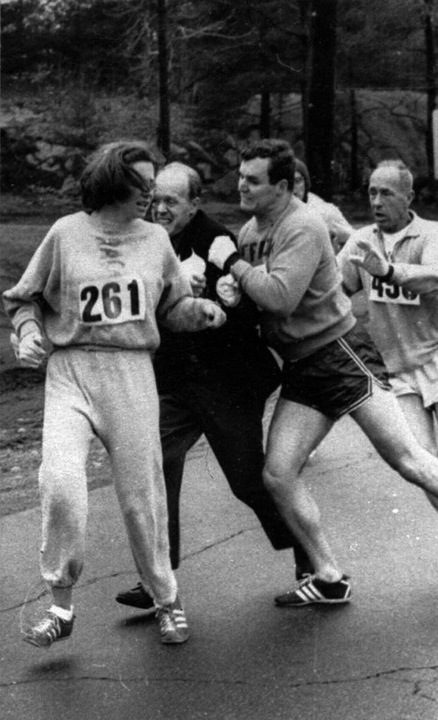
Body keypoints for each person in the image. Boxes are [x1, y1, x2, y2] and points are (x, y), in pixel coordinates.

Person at [3, 142, 227, 647]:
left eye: (154, 185)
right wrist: (27, 333)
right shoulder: (65, 233)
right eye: (141, 184)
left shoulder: (154, 240)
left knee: (140, 496)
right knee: (59, 481)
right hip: (72, 370)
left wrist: (201, 313)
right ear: (111, 182)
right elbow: (24, 299)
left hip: (130, 371)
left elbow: (172, 307)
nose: (151, 194)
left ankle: (166, 599)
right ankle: (60, 606)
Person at [207, 138, 438, 608]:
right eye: (240, 176)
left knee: (408, 460)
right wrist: (228, 289)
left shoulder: (303, 225)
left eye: (253, 180)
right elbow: (259, 302)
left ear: (280, 185)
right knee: (277, 474)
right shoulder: (252, 231)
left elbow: (279, 296)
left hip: (340, 353)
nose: (242, 186)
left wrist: (232, 264)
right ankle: (329, 575)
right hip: (302, 365)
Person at [113, 161, 307, 610]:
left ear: (194, 203)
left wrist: (197, 298)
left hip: (226, 381)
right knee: (156, 465)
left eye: (171, 202)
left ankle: (310, 557)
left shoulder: (216, 241)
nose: (159, 209)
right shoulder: (148, 238)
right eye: (154, 199)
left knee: (247, 481)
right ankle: (157, 578)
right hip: (176, 381)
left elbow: (241, 318)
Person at [336, 159, 438, 457]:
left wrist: (388, 271)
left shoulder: (432, 233)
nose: (376, 202)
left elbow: (435, 279)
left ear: (408, 198)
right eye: (372, 193)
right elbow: (333, 291)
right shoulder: (362, 241)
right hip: (396, 368)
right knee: (424, 460)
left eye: (386, 194)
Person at [293, 159, 354, 253]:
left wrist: (339, 258)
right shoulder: (273, 210)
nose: (293, 188)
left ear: (305, 182)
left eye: (297, 181)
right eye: (287, 182)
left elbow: (354, 239)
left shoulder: (323, 211)